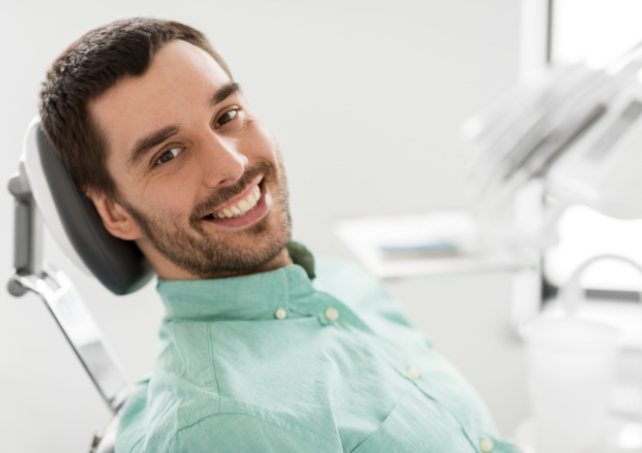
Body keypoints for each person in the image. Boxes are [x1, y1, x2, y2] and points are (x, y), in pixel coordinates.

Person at [40, 17, 518, 453]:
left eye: (226, 116)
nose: (232, 164)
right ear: (115, 212)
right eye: (167, 155)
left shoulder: (346, 286)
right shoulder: (217, 426)